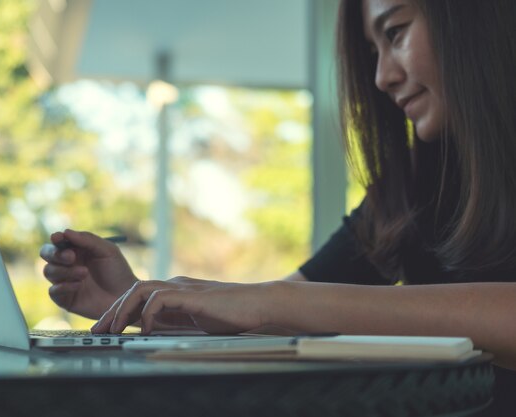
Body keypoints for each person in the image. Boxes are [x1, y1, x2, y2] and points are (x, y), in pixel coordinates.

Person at [40, 0, 516, 414]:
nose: (381, 77)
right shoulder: (416, 184)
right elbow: (276, 316)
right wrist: (138, 305)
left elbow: (283, 303)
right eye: (373, 52)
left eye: (395, 33)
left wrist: (274, 299)